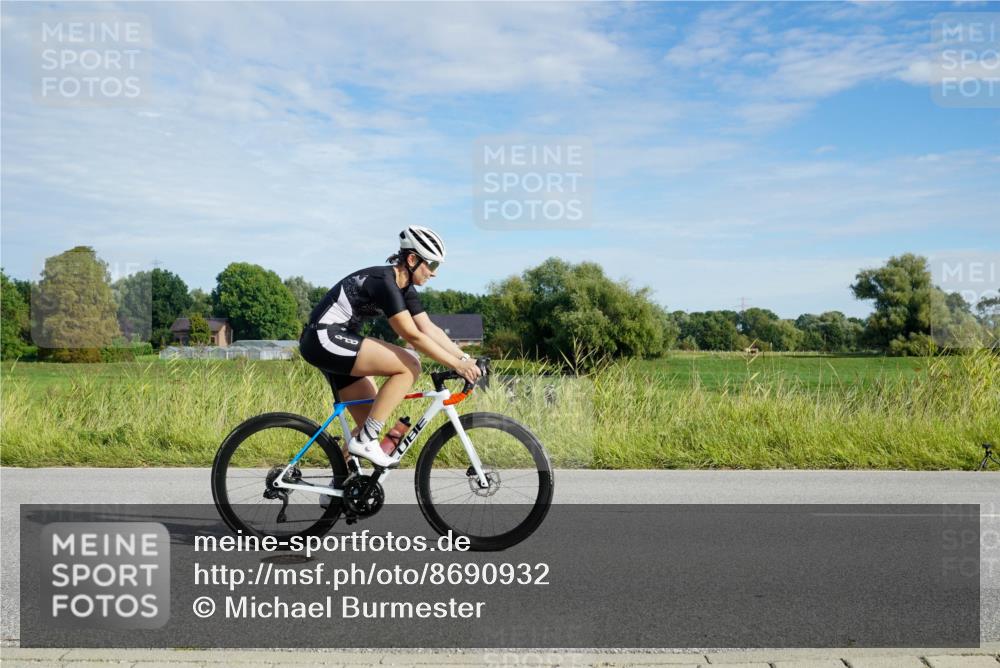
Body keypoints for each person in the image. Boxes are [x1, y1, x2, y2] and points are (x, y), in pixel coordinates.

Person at [298, 226, 481, 467]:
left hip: (334, 342)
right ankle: (366, 441)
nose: (434, 274)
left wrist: (465, 358)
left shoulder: (405, 289)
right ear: (413, 259)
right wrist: (456, 365)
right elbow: (411, 335)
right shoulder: (384, 282)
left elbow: (429, 329)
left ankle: (340, 489)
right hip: (324, 338)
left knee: (368, 422)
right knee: (410, 364)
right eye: (432, 265)